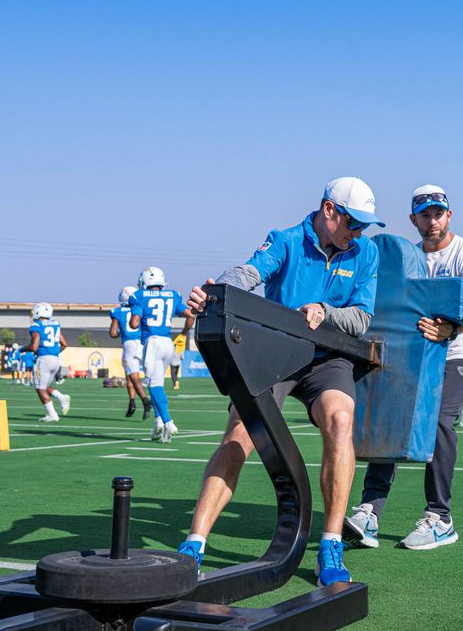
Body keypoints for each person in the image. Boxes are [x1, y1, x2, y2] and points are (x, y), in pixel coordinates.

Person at [177, 176, 384, 586]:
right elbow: (248, 273)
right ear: (329, 211)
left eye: (364, 225)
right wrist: (213, 292)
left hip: (327, 359)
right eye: (354, 222)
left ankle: (330, 543)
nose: (359, 233)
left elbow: (361, 318)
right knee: (239, 434)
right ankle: (194, 545)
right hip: (274, 354)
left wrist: (325, 310)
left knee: (340, 419)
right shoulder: (286, 240)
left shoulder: (366, 253)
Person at [345, 184, 463, 552]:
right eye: (425, 215)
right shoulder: (406, 258)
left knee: (438, 416)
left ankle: (440, 518)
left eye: (438, 213)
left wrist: (450, 328)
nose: (432, 221)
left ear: (449, 215)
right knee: (390, 413)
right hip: (419, 351)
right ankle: (369, 512)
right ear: (414, 219)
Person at [128, 267, 194, 441]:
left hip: (152, 343)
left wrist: (135, 314)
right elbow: (190, 316)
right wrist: (183, 334)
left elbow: (134, 324)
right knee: (157, 384)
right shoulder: (173, 295)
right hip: (167, 343)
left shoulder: (139, 296)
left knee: (154, 384)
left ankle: (168, 422)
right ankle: (158, 421)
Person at [109, 285, 151, 418]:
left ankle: (145, 401)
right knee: (129, 375)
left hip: (129, 344)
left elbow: (113, 333)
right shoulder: (140, 308)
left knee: (133, 376)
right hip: (143, 343)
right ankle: (132, 403)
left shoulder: (117, 311)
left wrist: (120, 333)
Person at [28, 302, 70, 422]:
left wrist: (23, 349)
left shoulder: (37, 325)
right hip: (55, 360)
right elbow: (64, 344)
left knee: (40, 388)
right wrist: (52, 352)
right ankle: (61, 397)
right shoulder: (55, 324)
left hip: (44, 360)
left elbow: (34, 347)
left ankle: (52, 414)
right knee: (44, 386)